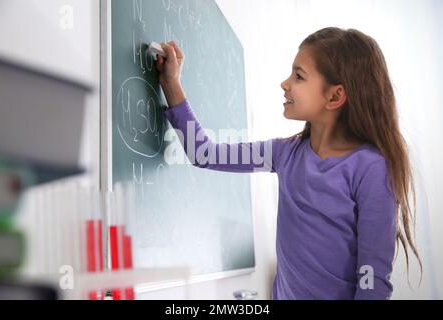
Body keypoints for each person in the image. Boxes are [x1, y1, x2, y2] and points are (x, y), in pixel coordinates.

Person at [155, 27, 421, 300]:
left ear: (334, 96)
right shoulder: (284, 153)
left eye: (299, 76)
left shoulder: (372, 169)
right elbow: (204, 153)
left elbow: (372, 282)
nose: (285, 83)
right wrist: (171, 83)